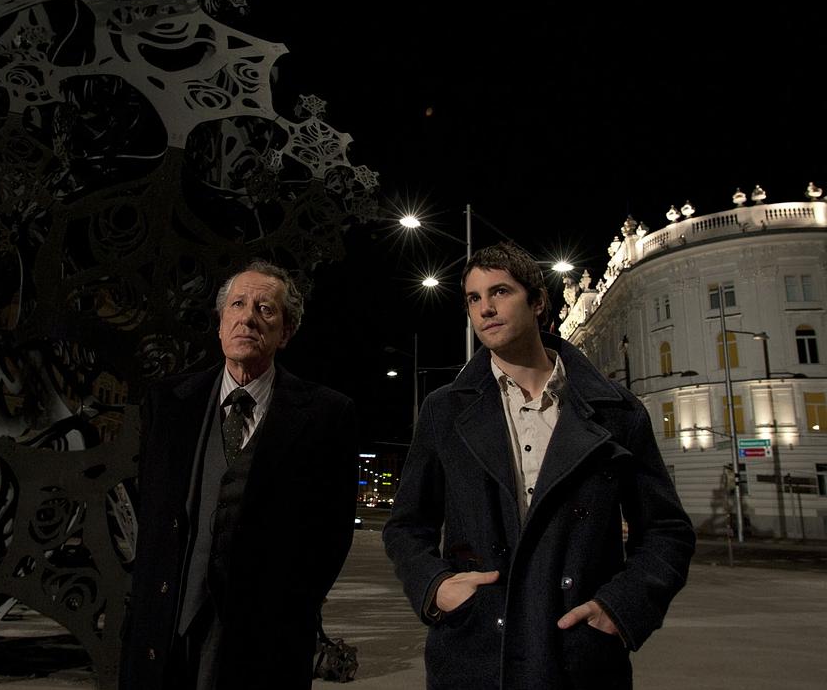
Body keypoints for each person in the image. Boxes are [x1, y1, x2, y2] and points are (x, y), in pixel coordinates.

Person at [383, 242, 695, 690]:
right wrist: (435, 586)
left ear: (538, 302)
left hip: (578, 654)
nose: (485, 309)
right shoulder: (444, 410)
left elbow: (667, 530)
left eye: (500, 292)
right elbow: (406, 526)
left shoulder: (617, 411)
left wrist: (621, 607)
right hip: (474, 651)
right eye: (473, 298)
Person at [121, 260, 358, 690]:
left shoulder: (326, 415)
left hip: (264, 642)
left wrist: (290, 609)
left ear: (285, 332)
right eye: (237, 305)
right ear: (220, 323)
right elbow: (152, 517)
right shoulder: (168, 404)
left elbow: (332, 535)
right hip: (167, 630)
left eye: (265, 309)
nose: (247, 318)